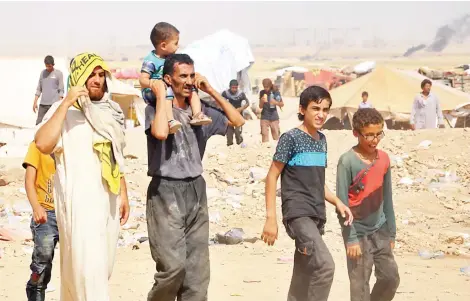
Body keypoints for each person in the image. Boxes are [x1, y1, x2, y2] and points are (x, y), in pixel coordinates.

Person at [146, 53, 245, 301]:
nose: (189, 81)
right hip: (165, 191)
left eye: (192, 75)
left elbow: (238, 120)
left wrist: (210, 89)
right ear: (169, 79)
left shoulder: (200, 112)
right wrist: (161, 96)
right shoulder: (155, 109)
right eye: (183, 76)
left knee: (197, 275)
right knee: (173, 268)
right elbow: (159, 132)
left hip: (195, 191)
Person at [34, 52, 130, 301]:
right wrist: (66, 103)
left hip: (107, 202)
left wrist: (124, 193)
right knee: (89, 272)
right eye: (91, 75)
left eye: (101, 75)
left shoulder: (112, 111)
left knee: (100, 269)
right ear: (79, 78)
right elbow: (43, 144)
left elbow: (116, 156)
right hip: (79, 203)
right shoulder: (62, 111)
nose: (97, 80)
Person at [261, 86, 353, 301]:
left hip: (316, 214)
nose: (321, 114)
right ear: (302, 110)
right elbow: (272, 176)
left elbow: (318, 182)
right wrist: (271, 219)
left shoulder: (321, 140)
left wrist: (337, 202)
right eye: (315, 108)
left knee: (304, 273)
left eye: (325, 109)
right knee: (325, 266)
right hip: (298, 213)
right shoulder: (290, 138)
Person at [336, 108, 399, 301]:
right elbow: (342, 204)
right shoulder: (346, 162)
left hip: (380, 229)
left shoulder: (384, 159)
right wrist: (351, 238)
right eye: (369, 135)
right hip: (358, 231)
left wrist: (391, 232)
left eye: (378, 134)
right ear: (356, 133)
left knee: (390, 278)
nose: (374, 140)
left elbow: (387, 198)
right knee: (359, 287)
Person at [139, 22, 211, 134]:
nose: (178, 46)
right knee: (167, 91)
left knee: (192, 89)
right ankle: (170, 120)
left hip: (166, 88)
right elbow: (142, 80)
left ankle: (197, 114)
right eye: (176, 43)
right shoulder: (151, 60)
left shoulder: (170, 59)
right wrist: (153, 84)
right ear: (163, 46)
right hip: (151, 92)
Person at [23, 141, 57, 301]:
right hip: (46, 214)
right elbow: (29, 180)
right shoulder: (38, 145)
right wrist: (36, 207)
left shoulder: (73, 143)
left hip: (70, 214)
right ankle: (34, 292)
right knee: (42, 264)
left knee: (77, 263)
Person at [33, 55, 64, 125]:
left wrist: (60, 103)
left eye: (49, 66)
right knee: (38, 124)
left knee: (53, 124)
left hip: (54, 105)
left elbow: (61, 90)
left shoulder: (58, 73)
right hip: (43, 104)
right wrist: (35, 102)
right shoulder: (42, 73)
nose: (48, 68)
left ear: (53, 65)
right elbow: (39, 88)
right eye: (46, 66)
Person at [221, 79, 249, 146]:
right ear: (230, 87)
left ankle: (240, 144)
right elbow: (220, 103)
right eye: (233, 88)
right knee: (229, 133)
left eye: (236, 88)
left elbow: (247, 103)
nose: (234, 89)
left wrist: (241, 109)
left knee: (238, 132)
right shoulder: (225, 94)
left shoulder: (241, 94)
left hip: (238, 116)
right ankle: (230, 146)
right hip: (228, 116)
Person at [259, 78, 284, 142]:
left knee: (276, 137)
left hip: (274, 117)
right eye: (264, 87)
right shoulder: (262, 93)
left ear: (270, 86)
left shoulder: (275, 92)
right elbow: (260, 106)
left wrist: (275, 102)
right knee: (264, 136)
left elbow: (282, 104)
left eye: (267, 87)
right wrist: (262, 101)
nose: (265, 88)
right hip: (264, 116)